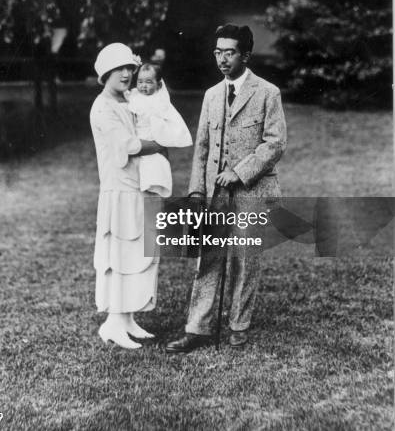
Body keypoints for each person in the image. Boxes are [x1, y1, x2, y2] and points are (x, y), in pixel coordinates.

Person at [166, 24, 287, 353]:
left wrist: (240, 172)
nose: (222, 58)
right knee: (209, 257)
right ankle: (197, 327)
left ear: (245, 55)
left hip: (253, 191)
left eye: (229, 52)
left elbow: (275, 144)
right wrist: (195, 192)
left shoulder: (267, 93)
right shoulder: (211, 95)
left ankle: (239, 325)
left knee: (245, 258)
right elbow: (202, 150)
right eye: (217, 52)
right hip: (214, 195)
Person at [90, 43, 166, 350]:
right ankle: (112, 323)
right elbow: (130, 145)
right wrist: (160, 143)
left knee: (139, 254)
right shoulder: (102, 107)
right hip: (119, 191)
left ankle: (128, 318)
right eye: (119, 69)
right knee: (119, 255)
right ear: (106, 73)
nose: (126, 74)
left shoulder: (128, 100)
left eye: (129, 69)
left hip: (139, 186)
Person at [127, 63, 192, 198]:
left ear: (159, 85)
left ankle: (153, 198)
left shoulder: (160, 101)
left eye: (149, 82)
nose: (143, 86)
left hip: (153, 141)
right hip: (138, 140)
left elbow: (172, 120)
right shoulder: (134, 96)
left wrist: (167, 137)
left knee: (154, 175)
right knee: (137, 181)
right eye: (140, 82)